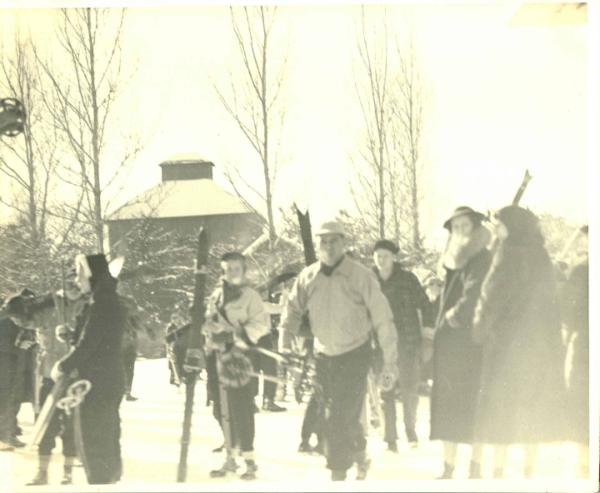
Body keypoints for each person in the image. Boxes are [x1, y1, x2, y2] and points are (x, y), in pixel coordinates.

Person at [281, 220, 398, 481]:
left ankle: (338, 477)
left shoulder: (360, 276)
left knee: (337, 417)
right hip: (324, 358)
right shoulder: (308, 276)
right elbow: (291, 311)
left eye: (334, 240)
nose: (329, 246)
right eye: (324, 241)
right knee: (336, 417)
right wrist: (285, 345)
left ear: (344, 243)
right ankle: (360, 455)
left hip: (355, 355)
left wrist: (390, 361)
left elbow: (383, 318)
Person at [472, 206, 568, 478]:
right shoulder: (541, 256)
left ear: (512, 227)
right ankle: (528, 471)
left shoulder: (506, 253)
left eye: (500, 226)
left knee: (500, 410)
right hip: (537, 349)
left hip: (505, 348)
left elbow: (490, 296)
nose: (497, 231)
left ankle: (498, 472)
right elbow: (552, 304)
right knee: (532, 410)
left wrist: (479, 330)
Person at [52, 253, 127, 485]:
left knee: (94, 442)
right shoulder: (105, 299)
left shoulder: (101, 303)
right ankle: (107, 480)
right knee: (106, 439)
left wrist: (63, 365)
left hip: (98, 382)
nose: (76, 280)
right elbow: (95, 337)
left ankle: (101, 483)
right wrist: (72, 335)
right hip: (107, 378)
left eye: (79, 274)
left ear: (91, 276)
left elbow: (90, 344)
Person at [430, 206, 492, 479]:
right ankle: (448, 467)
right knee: (447, 405)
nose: (460, 232)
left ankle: (475, 468)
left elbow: (475, 293)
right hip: (449, 346)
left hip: (471, 345)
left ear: (476, 228)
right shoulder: (452, 260)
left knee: (473, 407)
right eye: (456, 227)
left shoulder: (481, 257)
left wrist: (454, 317)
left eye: (465, 226)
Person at [203, 251, 270, 480]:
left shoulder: (250, 296)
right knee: (221, 407)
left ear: (243, 271)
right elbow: (208, 322)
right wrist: (209, 334)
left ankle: (249, 460)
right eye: (227, 269)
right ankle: (229, 457)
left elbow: (260, 325)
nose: (231, 273)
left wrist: (233, 339)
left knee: (241, 407)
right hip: (217, 357)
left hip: (240, 358)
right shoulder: (216, 296)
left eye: (235, 269)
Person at [372, 239, 434, 451]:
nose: (381, 260)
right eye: (378, 256)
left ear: (394, 258)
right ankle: (390, 438)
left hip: (407, 345)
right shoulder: (369, 281)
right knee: (386, 390)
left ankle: (410, 431)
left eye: (386, 256)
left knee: (409, 389)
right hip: (382, 347)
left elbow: (426, 307)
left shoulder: (407, 280)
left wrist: (427, 338)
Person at [561, 225, 589, 477]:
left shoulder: (583, 270)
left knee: (584, 401)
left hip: (586, 344)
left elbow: (568, 311)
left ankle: (585, 462)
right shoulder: (581, 269)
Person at [0, 305, 28, 451]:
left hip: (11, 364)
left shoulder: (10, 321)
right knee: (6, 399)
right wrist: (19, 347)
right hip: (5, 366)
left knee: (10, 399)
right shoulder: (6, 321)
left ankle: (8, 434)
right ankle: (5, 437)